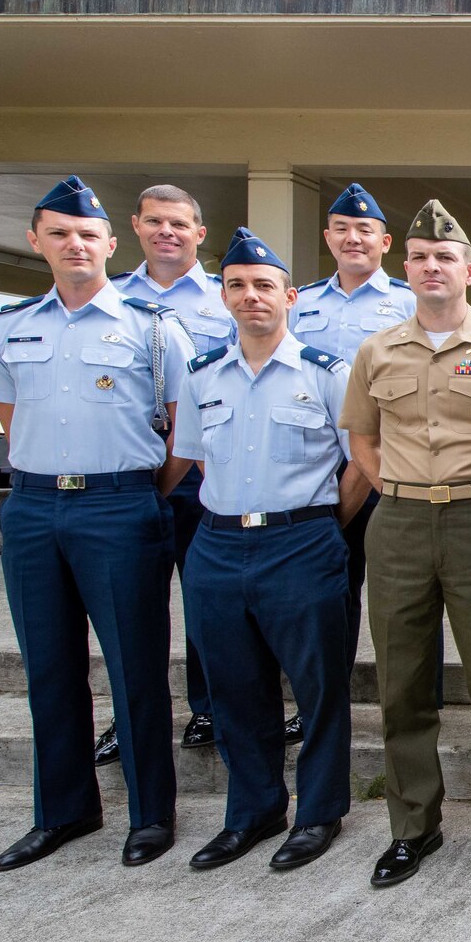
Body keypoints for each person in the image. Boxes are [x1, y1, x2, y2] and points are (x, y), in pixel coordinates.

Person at [0, 175, 195, 871]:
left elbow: (183, 436)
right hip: (37, 506)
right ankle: (62, 812)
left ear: (109, 242)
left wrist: (134, 492)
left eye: (87, 235)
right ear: (36, 240)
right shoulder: (10, 326)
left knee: (135, 667)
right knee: (49, 666)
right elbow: (11, 419)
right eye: (60, 233)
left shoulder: (154, 328)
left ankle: (151, 814)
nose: (75, 245)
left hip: (120, 505)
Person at [339, 199, 471, 887]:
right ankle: (412, 826)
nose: (431, 266)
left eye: (444, 257)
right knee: (401, 682)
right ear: (406, 267)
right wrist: (390, 483)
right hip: (398, 523)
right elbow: (359, 432)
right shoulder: (377, 350)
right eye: (419, 257)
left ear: (469, 269)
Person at [171, 228, 364, 871]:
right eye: (236, 286)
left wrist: (316, 526)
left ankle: (316, 815)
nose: (250, 297)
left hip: (302, 541)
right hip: (220, 546)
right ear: (222, 296)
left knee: (318, 689)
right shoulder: (203, 378)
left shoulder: (326, 375)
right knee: (234, 687)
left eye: (263, 286)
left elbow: (360, 464)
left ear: (289, 295)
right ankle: (252, 813)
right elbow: (192, 458)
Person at [94, 185, 233, 764]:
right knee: (132, 607)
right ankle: (131, 717)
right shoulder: (111, 298)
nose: (166, 232)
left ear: (199, 233)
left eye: (179, 223)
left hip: (203, 475)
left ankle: (208, 707)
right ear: (134, 228)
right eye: (154, 222)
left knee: (206, 602)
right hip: (132, 478)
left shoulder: (228, 297)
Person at [290, 183, 414, 742]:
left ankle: (410, 711)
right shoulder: (302, 305)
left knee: (405, 609)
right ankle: (323, 709)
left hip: (388, 476)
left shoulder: (412, 302)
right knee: (327, 604)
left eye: (365, 230)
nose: (353, 238)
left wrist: (366, 472)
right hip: (318, 474)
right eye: (342, 228)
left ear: (385, 242)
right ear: (328, 238)